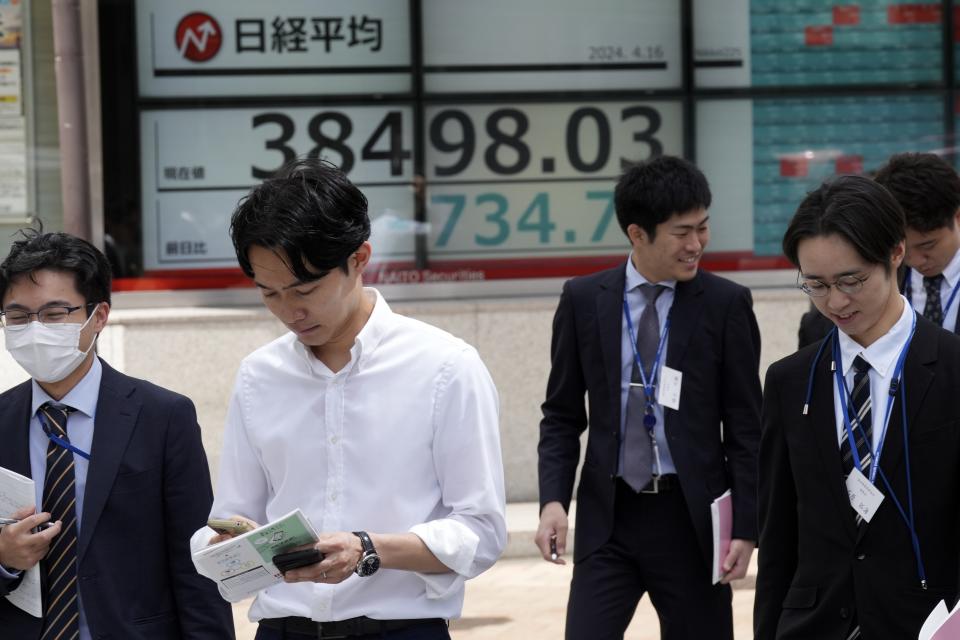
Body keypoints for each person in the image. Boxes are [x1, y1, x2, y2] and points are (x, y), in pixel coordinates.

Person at [191, 158, 506, 640]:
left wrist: (368, 548)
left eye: (306, 289)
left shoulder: (445, 367)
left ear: (359, 258)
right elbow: (235, 512)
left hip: (400, 630)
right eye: (269, 293)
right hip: (282, 628)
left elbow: (481, 531)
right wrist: (224, 545)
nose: (289, 311)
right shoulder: (259, 375)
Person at [536, 155, 762, 639]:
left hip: (691, 523)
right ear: (638, 234)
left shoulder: (725, 305)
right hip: (609, 517)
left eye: (702, 227)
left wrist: (745, 524)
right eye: (682, 232)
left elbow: (746, 427)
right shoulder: (583, 299)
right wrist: (553, 500)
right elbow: (560, 414)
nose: (697, 244)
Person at [0, 230, 234, 638]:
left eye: (55, 314)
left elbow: (195, 562)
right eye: (19, 317)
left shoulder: (163, 416)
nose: (35, 330)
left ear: (99, 317)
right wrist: (3, 558)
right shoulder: (1, 419)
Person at [755, 175, 960, 639]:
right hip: (815, 624)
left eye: (851, 280)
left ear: (895, 253)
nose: (836, 302)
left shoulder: (951, 369)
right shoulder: (790, 382)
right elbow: (779, 537)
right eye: (817, 285)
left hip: (924, 623)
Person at [874, 151, 960, 333]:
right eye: (900, 249)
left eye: (927, 245)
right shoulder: (874, 279)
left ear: (958, 218)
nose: (915, 261)